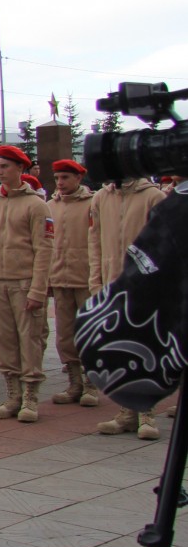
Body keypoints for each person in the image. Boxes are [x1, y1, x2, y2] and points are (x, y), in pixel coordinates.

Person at [0, 145, 53, 423]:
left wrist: (38, 289)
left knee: (29, 340)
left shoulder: (36, 205)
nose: (0, 172)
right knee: (4, 341)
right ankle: (12, 395)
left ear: (20, 168)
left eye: (5, 166)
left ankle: (30, 396)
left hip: (24, 283)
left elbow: (44, 250)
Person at [89, 172, 167, 439]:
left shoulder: (153, 197)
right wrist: (95, 280)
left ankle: (147, 414)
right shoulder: (101, 197)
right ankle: (126, 412)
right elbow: (94, 241)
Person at [46, 160, 94, 406]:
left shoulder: (92, 204)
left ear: (78, 178)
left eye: (65, 177)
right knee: (65, 335)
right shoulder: (50, 206)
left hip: (86, 278)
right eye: (57, 178)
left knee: (90, 332)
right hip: (60, 278)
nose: (60, 183)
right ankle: (74, 383)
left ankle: (91, 384)